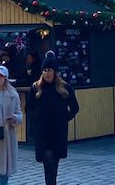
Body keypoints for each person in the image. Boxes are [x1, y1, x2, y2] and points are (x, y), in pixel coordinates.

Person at [26, 55, 79, 185]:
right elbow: (28, 108)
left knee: (54, 164)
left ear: (55, 71)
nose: (47, 73)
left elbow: (75, 107)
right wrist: (36, 120)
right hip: (42, 133)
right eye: (44, 70)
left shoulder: (65, 88)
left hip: (58, 132)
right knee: (48, 163)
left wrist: (64, 118)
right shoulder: (35, 88)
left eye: (49, 70)